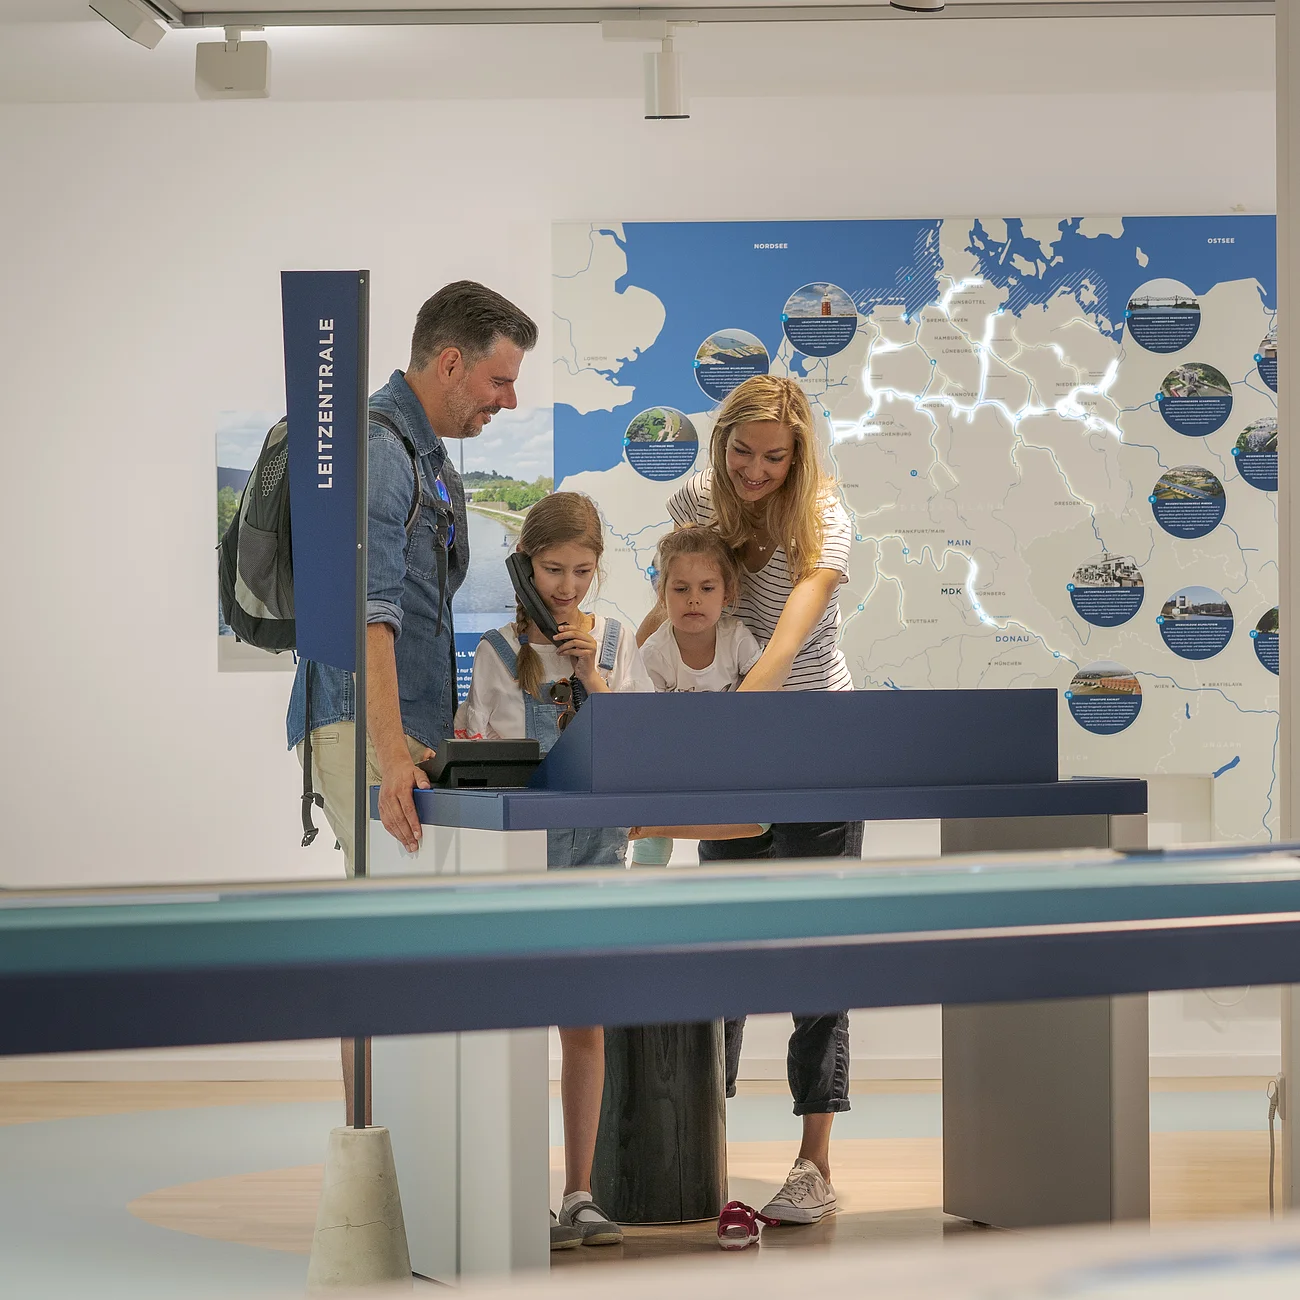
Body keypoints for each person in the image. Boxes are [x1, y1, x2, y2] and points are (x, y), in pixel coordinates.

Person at [286, 281, 538, 1125]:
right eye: (500, 381)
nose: (509, 401)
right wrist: (392, 753)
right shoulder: (381, 448)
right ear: (451, 363)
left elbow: (422, 614)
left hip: (402, 731)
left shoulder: (423, 453)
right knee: (379, 947)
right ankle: (369, 1159)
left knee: (402, 945)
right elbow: (372, 615)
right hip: (367, 732)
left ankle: (405, 1150)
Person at [637, 373, 861, 1226]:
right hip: (733, 750)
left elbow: (783, 647)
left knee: (816, 955)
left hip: (813, 743)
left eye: (775, 457)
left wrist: (721, 732)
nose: (755, 471)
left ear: (799, 457)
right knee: (726, 948)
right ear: (719, 441)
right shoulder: (701, 494)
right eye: (741, 452)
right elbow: (677, 608)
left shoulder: (823, 518)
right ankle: (702, 1143)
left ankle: (813, 1164)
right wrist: (620, 685)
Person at [455, 491, 654, 1249]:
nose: (566, 587)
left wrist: (590, 678)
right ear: (523, 567)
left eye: (581, 571)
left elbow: (634, 751)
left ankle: (580, 1192)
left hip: (596, 859)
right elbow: (478, 757)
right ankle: (516, 1192)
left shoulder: (615, 641)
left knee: (583, 1025)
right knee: (514, 1026)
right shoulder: (496, 652)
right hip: (521, 864)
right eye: (551, 570)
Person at [629, 526, 769, 865]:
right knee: (650, 830)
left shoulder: (737, 638)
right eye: (681, 589)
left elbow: (764, 700)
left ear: (727, 593)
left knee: (760, 821)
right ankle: (641, 884)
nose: (694, 599)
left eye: (707, 588)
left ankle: (657, 827)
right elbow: (645, 728)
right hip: (671, 758)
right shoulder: (655, 653)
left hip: (728, 757)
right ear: (662, 594)